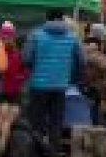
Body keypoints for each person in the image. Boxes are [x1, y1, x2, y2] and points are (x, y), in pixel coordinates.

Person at [21, 10, 83, 146]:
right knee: (56, 122)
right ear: (62, 19)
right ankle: (53, 152)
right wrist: (71, 76)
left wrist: (34, 68)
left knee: (36, 121)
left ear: (46, 19)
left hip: (38, 86)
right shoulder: (73, 37)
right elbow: (81, 61)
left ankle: (35, 152)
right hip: (60, 85)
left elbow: (26, 58)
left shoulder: (35, 35)